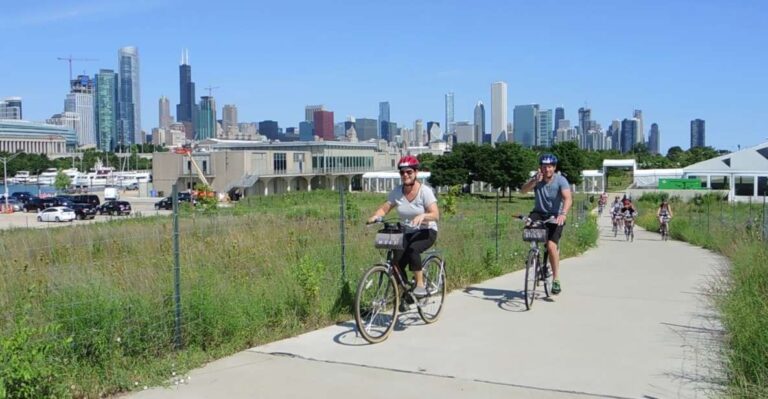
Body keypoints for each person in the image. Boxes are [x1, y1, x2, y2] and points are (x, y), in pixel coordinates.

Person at [367, 155, 439, 298]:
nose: (405, 175)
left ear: (416, 172)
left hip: (426, 231)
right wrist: (375, 217)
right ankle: (406, 293)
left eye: (409, 172)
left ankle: (420, 285)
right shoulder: (397, 192)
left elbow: (435, 214)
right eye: (402, 172)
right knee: (396, 262)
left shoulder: (425, 191)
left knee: (413, 250)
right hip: (407, 231)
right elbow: (385, 208)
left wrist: (423, 216)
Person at [521, 153, 572, 295]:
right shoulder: (537, 179)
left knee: (550, 246)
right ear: (540, 168)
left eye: (549, 167)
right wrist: (533, 182)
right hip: (538, 212)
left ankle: (556, 279)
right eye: (544, 167)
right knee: (530, 228)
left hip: (556, 215)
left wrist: (563, 213)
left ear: (554, 167)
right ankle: (534, 255)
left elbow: (568, 198)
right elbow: (523, 191)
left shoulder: (561, 180)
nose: (547, 170)